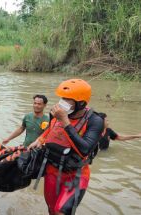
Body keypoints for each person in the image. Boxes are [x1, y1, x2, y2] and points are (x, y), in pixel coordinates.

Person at [29, 79, 104, 215]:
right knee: (52, 209)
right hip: (52, 170)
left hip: (75, 174)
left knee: (61, 211)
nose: (63, 102)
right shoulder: (56, 113)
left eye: (68, 99)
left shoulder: (95, 121)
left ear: (81, 103)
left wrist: (65, 121)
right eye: (62, 97)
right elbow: (51, 128)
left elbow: (85, 149)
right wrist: (40, 139)